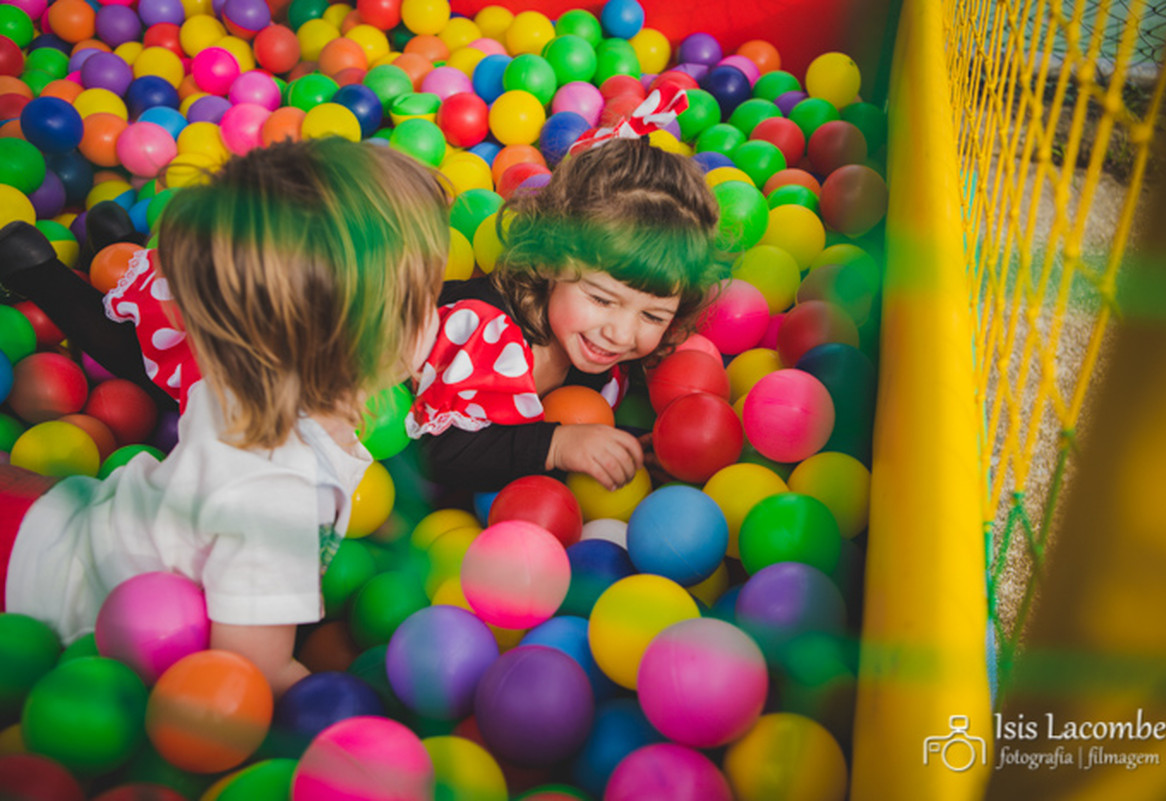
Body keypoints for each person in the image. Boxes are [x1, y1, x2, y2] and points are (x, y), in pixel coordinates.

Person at [0, 138, 449, 695]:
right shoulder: (279, 492)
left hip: (66, 521)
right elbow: (251, 670)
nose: (438, 313)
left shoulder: (246, 375)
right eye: (425, 299)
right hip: (46, 601)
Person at [409, 133, 721, 492]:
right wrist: (556, 446)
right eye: (602, 300)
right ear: (550, 259)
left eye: (653, 316)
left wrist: (631, 448)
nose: (621, 334)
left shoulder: (603, 350)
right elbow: (435, 453)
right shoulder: (485, 332)